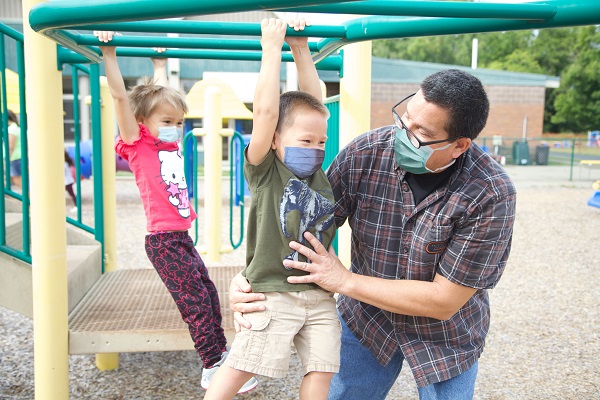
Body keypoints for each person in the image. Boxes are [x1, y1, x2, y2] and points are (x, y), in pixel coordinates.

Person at [231, 69, 517, 399]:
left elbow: (444, 301)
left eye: (420, 133)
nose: (404, 134)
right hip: (368, 321)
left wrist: (343, 280)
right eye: (404, 119)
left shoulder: (490, 193)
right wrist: (253, 278)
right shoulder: (367, 154)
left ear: (459, 145)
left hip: (446, 336)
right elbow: (300, 223)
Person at [94, 31, 257, 394]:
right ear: (141, 124)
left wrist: (160, 66)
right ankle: (212, 365)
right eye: (167, 122)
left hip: (179, 238)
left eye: (179, 121)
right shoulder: (137, 145)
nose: (175, 127)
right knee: (194, 303)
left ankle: (221, 355)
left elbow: (161, 102)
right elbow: (122, 98)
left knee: (209, 293)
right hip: (162, 242)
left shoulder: (166, 140)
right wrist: (109, 53)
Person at [204, 18, 339, 400]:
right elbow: (265, 114)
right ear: (276, 140)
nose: (314, 148)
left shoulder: (317, 174)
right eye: (305, 140)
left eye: (320, 142)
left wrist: (301, 49)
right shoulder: (265, 170)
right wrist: (272, 48)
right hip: (272, 293)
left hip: (320, 294)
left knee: (322, 370)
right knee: (241, 367)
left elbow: (315, 104)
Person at [7, 109, 22, 189]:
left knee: (17, 180)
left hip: (14, 157)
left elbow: (11, 146)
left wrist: (8, 158)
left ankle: (27, 198)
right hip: (19, 156)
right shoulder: (17, 127)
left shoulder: (11, 129)